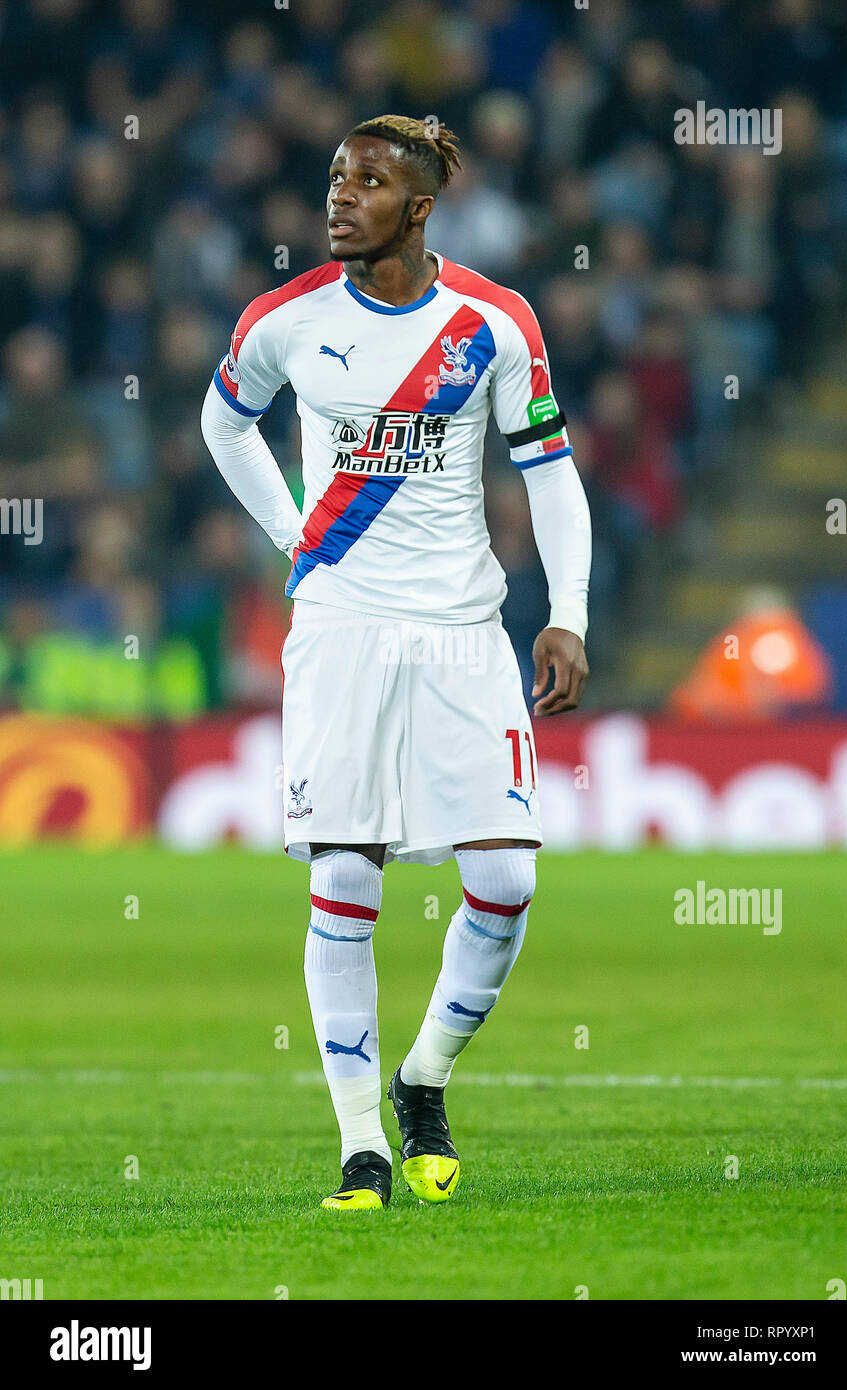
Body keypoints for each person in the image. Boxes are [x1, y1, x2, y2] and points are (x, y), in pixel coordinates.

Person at [201, 115, 591, 1210]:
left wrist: (567, 613)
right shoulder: (284, 321)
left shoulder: (492, 323)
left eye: (366, 182)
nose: (339, 196)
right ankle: (359, 1144)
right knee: (343, 875)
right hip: (340, 630)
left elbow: (549, 473)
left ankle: (424, 1078)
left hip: (465, 632)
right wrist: (294, 538)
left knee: (506, 880)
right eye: (333, 176)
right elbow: (223, 424)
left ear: (417, 208)